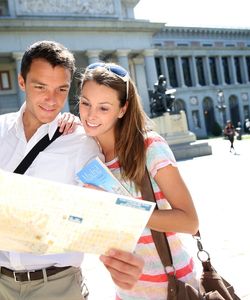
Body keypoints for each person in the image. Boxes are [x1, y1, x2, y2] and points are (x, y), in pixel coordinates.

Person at [0, 41, 144, 300]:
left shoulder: (81, 142)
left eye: (61, 89)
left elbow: (104, 209)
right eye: (40, 87)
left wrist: (121, 259)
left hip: (56, 285)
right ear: (22, 82)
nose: (51, 100)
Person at [76, 62, 199, 299]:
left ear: (122, 109)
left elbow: (190, 222)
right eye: (85, 103)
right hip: (126, 292)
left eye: (104, 108)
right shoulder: (88, 156)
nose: (90, 115)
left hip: (173, 286)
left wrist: (124, 210)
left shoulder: (150, 148)